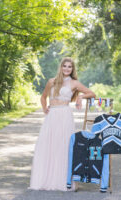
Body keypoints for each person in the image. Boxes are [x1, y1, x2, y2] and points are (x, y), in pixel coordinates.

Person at [28, 57, 96, 191]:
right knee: (47, 144)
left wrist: (80, 97)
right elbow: (43, 97)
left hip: (65, 115)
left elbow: (92, 93)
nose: (66, 68)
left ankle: (63, 180)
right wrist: (44, 108)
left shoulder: (74, 83)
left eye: (69, 66)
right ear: (61, 67)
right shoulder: (51, 81)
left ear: (72, 69)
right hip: (52, 115)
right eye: (64, 66)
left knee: (63, 146)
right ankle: (44, 179)